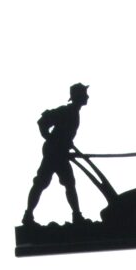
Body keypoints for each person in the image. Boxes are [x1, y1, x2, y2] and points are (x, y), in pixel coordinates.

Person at [22, 83, 89, 226]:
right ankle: (28, 216)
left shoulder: (74, 112)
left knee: (68, 183)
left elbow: (65, 133)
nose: (87, 96)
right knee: (42, 183)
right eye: (84, 94)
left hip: (60, 152)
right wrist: (52, 139)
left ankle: (76, 216)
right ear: (78, 97)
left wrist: (66, 144)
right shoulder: (66, 111)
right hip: (54, 153)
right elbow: (42, 121)